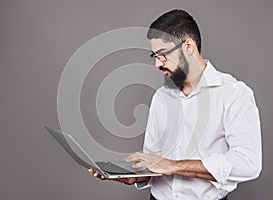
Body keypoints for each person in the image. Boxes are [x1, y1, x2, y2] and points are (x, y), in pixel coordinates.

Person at [89, 9, 262, 200]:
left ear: (188, 46)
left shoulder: (234, 94)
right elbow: (155, 163)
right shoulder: (161, 97)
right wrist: (134, 177)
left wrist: (174, 165)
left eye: (162, 54)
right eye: (154, 55)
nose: (157, 64)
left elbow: (248, 163)